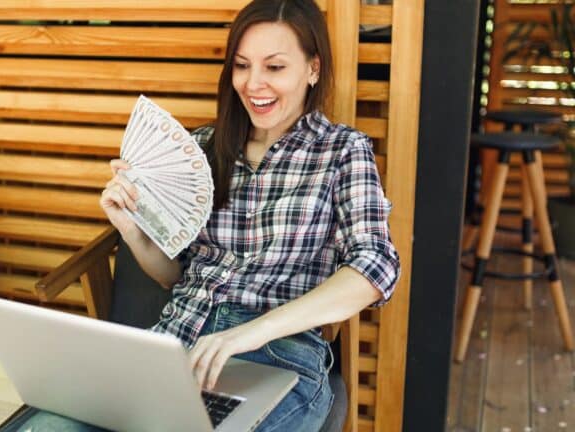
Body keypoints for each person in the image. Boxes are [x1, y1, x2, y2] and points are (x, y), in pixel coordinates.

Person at [31, 0, 400, 430]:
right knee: (49, 425)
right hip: (174, 342)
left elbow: (375, 268)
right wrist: (133, 231)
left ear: (312, 69)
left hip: (277, 358)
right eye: (242, 66)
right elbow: (176, 275)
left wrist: (251, 331)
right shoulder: (201, 148)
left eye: (275, 67)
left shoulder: (343, 151)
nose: (254, 83)